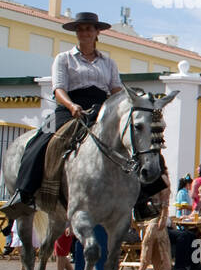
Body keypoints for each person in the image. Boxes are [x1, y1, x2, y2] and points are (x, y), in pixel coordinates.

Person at [5, 12, 125, 213]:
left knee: (133, 138)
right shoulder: (64, 58)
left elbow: (115, 89)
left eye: (88, 28)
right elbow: (59, 88)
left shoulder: (108, 62)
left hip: (100, 109)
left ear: (97, 33)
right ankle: (24, 193)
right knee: (42, 139)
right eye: (80, 29)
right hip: (70, 109)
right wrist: (71, 106)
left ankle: (144, 198)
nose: (84, 32)